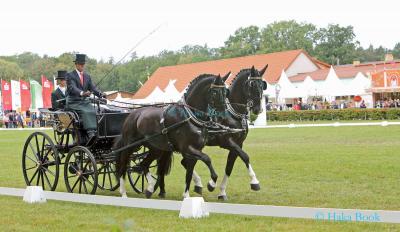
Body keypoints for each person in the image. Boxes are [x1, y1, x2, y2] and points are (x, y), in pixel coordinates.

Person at [66, 54, 105, 143]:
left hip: (84, 101)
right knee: (86, 111)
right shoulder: (70, 75)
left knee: (95, 110)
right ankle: (90, 132)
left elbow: (93, 88)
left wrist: (100, 94)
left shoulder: (87, 76)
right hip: (73, 101)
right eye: (80, 64)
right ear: (76, 64)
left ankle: (96, 131)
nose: (82, 66)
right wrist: (82, 93)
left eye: (83, 64)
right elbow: (72, 88)